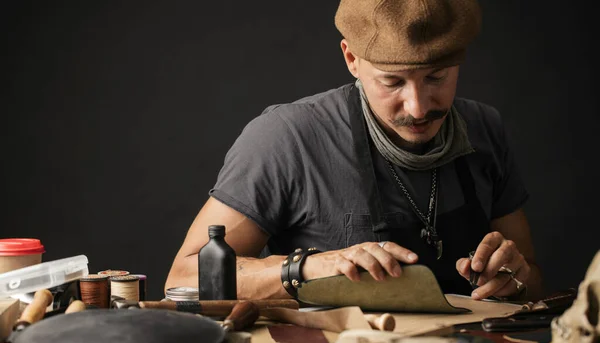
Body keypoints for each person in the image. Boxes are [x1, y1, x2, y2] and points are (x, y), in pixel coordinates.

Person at [165, 0, 543, 302]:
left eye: (436, 77)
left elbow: (532, 276)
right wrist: (310, 267)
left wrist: (515, 277)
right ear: (352, 60)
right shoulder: (287, 138)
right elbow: (185, 277)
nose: (417, 107)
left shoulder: (485, 128)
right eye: (392, 81)